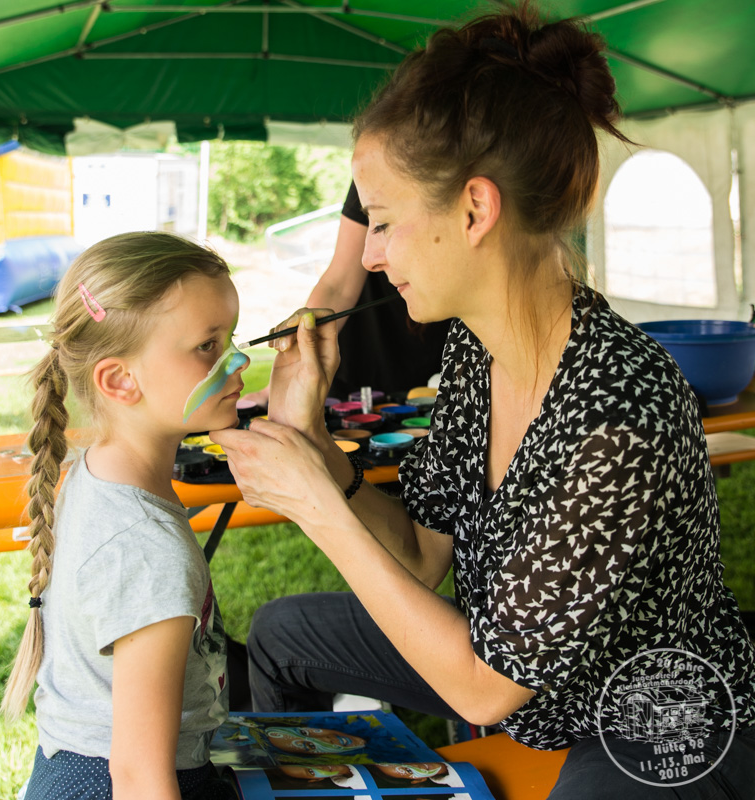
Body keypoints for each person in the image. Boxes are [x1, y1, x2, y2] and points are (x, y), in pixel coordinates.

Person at [211, 3, 755, 798]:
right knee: (280, 635)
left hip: (647, 715)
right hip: (512, 671)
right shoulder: (474, 351)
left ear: (475, 210)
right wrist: (313, 441)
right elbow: (421, 553)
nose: (369, 255)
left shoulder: (621, 412)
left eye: (383, 221)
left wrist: (315, 506)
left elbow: (483, 690)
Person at [2, 231, 249, 799]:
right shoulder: (144, 547)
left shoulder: (98, 472)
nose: (239, 359)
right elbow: (139, 775)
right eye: (208, 345)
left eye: (231, 336)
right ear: (119, 380)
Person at [246, 180, 450, 406]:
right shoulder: (369, 176)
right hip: (356, 371)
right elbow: (338, 284)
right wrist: (277, 386)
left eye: (383, 225)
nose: (369, 260)